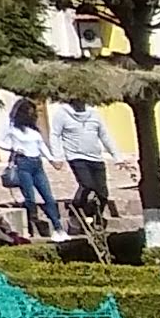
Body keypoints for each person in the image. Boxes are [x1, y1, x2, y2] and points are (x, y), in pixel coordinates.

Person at [50, 94, 117, 228]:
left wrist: (117, 156)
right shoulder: (62, 114)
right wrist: (57, 156)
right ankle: (75, 209)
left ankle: (94, 215)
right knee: (87, 185)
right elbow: (55, 135)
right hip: (76, 157)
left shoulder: (94, 113)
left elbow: (104, 135)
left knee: (103, 193)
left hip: (96, 157)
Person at [0, 96, 60, 240]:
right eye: (30, 112)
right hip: (23, 163)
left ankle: (58, 227)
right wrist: (13, 148)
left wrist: (51, 159)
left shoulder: (33, 129)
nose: (33, 115)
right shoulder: (12, 127)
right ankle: (30, 227)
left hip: (37, 164)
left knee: (48, 197)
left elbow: (41, 145)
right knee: (30, 198)